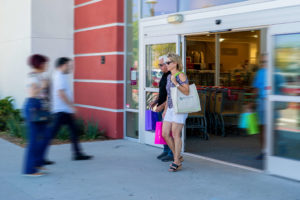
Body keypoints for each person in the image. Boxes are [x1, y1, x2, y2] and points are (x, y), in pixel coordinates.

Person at [42, 57, 93, 161]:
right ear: (62, 65)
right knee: (51, 134)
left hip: (64, 110)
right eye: (69, 65)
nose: (71, 67)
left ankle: (77, 154)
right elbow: (61, 93)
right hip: (61, 111)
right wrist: (71, 106)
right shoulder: (59, 76)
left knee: (73, 131)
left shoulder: (61, 75)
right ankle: (40, 157)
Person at [23, 54, 50, 177]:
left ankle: (37, 163)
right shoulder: (33, 77)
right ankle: (29, 169)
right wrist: (43, 87)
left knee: (45, 136)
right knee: (34, 140)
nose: (46, 66)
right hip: (33, 106)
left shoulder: (39, 76)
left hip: (40, 107)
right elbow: (32, 93)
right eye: (44, 63)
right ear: (38, 64)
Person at [162, 53, 189, 172]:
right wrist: (165, 109)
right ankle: (177, 156)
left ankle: (176, 161)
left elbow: (187, 92)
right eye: (165, 63)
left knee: (176, 134)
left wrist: (176, 83)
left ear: (175, 63)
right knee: (165, 133)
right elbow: (169, 94)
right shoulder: (168, 76)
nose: (165, 65)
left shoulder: (181, 75)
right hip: (171, 108)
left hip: (180, 108)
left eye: (168, 63)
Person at [149, 55, 173, 162]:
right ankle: (165, 150)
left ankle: (171, 153)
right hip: (161, 107)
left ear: (167, 64)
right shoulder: (164, 75)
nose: (160, 67)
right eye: (159, 65)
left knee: (168, 132)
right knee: (161, 130)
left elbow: (170, 95)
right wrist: (155, 101)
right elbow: (162, 92)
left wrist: (162, 106)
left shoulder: (171, 76)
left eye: (161, 65)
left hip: (167, 108)